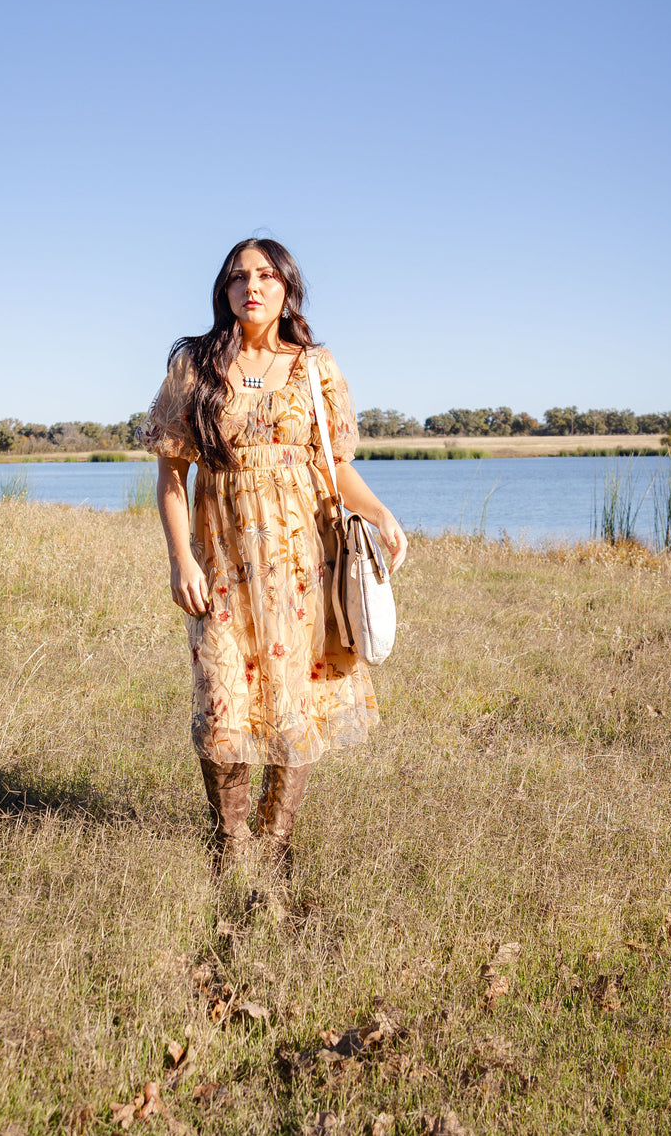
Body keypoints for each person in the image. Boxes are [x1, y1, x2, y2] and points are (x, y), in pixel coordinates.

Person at [138, 238, 407, 874]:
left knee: (294, 700)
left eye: (264, 275)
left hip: (299, 564)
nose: (250, 287)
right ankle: (231, 845)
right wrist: (182, 561)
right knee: (221, 700)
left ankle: (277, 839)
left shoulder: (316, 367)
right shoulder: (194, 368)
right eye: (237, 278)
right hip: (221, 561)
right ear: (223, 293)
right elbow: (171, 478)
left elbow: (335, 467)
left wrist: (381, 512)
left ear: (288, 287)